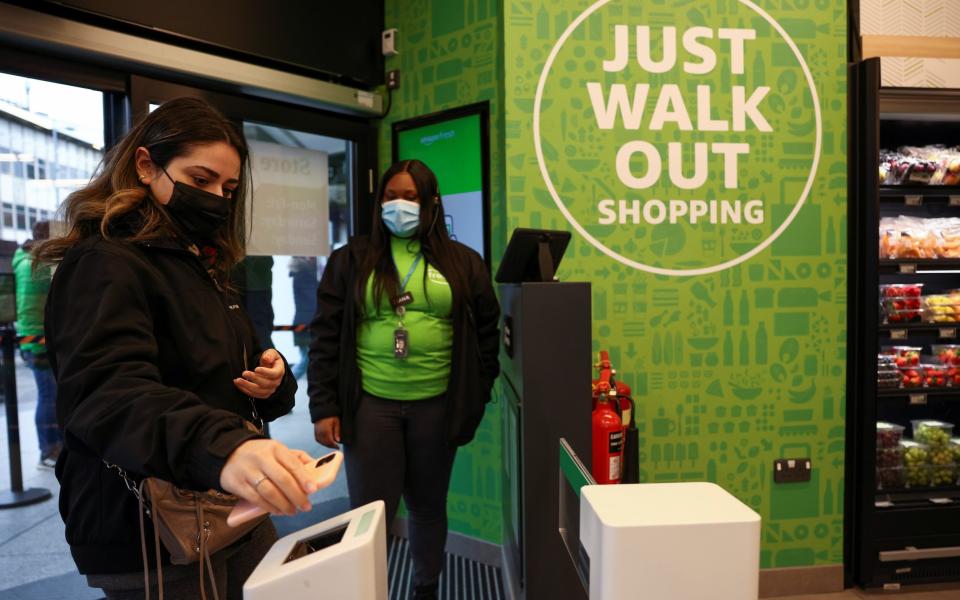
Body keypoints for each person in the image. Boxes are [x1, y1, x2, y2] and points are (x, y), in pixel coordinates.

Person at [36, 97, 319, 599]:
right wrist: (226, 447)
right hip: (151, 523)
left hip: (228, 501)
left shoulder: (204, 264)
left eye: (228, 189)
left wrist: (274, 378)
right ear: (146, 166)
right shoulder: (104, 263)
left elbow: (242, 365)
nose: (216, 198)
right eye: (201, 179)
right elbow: (108, 394)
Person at [308, 159, 500, 599]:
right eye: (390, 196)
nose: (399, 205)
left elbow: (487, 334)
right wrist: (325, 406)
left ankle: (425, 587)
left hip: (437, 405)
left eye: (410, 197)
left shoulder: (463, 262)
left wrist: (478, 392)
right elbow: (325, 334)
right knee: (368, 514)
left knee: (428, 507)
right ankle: (366, 589)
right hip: (370, 405)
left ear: (431, 203)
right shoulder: (352, 259)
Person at [13, 220, 63, 469]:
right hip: (38, 340)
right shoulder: (39, 264)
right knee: (49, 396)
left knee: (50, 395)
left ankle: (54, 448)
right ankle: (48, 451)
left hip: (32, 338)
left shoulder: (23, 259)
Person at [288, 256, 318, 379]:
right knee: (307, 360)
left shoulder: (300, 274)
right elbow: (314, 299)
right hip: (306, 323)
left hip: (303, 322)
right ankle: (286, 383)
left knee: (307, 358)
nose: (314, 257)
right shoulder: (305, 275)